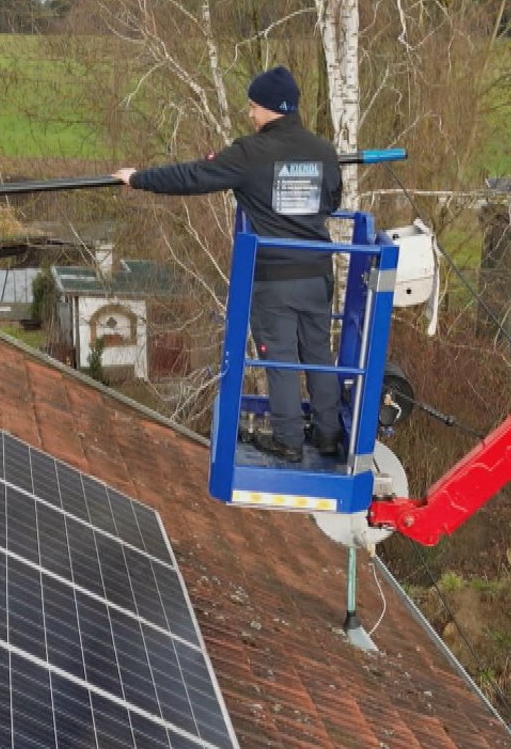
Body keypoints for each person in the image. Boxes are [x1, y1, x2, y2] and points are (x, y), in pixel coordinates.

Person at [116, 67, 345, 462]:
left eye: (253, 106)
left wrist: (138, 178)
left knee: (279, 359)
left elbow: (193, 176)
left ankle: (289, 440)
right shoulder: (323, 151)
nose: (250, 114)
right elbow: (333, 201)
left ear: (271, 108)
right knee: (318, 354)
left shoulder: (250, 153)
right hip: (318, 275)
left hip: (274, 278)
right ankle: (326, 435)